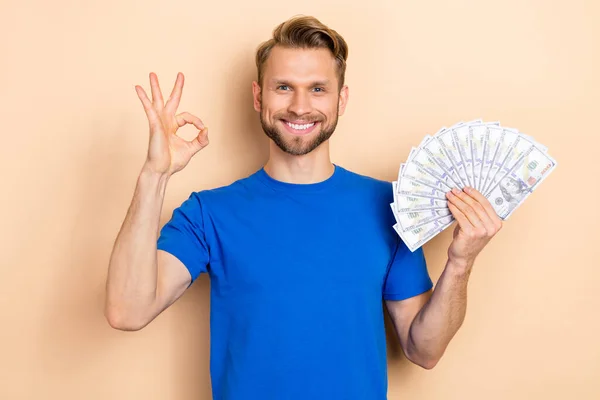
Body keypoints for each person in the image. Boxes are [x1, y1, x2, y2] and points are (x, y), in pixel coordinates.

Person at [104, 15, 503, 400]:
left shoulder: (393, 206)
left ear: (341, 99)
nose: (299, 106)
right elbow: (127, 311)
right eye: (283, 87)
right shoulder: (208, 214)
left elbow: (424, 350)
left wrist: (460, 262)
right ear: (258, 96)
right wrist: (154, 175)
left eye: (317, 89)